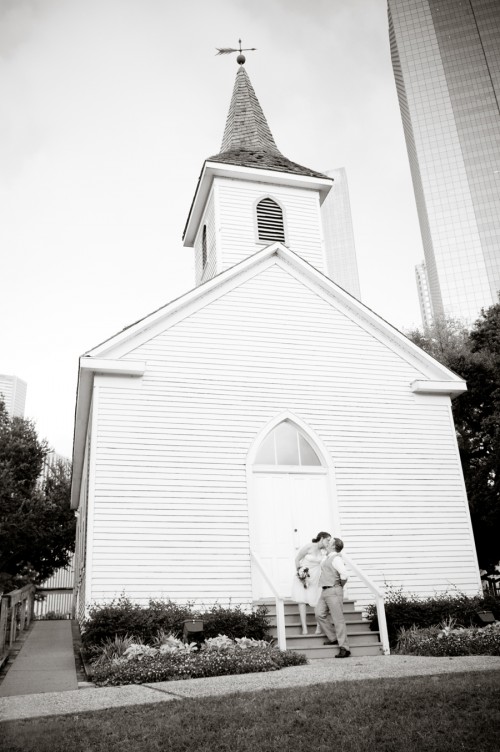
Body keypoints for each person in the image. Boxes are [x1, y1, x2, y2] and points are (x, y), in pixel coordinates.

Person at [315, 537, 351, 658]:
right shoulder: (327, 557)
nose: (328, 542)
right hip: (324, 591)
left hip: (334, 590)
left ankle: (344, 648)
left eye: (330, 542)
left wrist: (339, 585)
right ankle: (333, 638)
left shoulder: (336, 558)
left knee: (338, 619)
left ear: (334, 546)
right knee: (319, 613)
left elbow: (345, 574)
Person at [291, 531, 331, 635]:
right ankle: (305, 628)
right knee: (302, 601)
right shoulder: (309, 547)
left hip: (316, 578)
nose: (328, 542)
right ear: (321, 538)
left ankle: (319, 626)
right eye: (327, 540)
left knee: (317, 601)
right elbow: (297, 559)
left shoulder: (324, 551)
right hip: (305, 577)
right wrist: (300, 574)